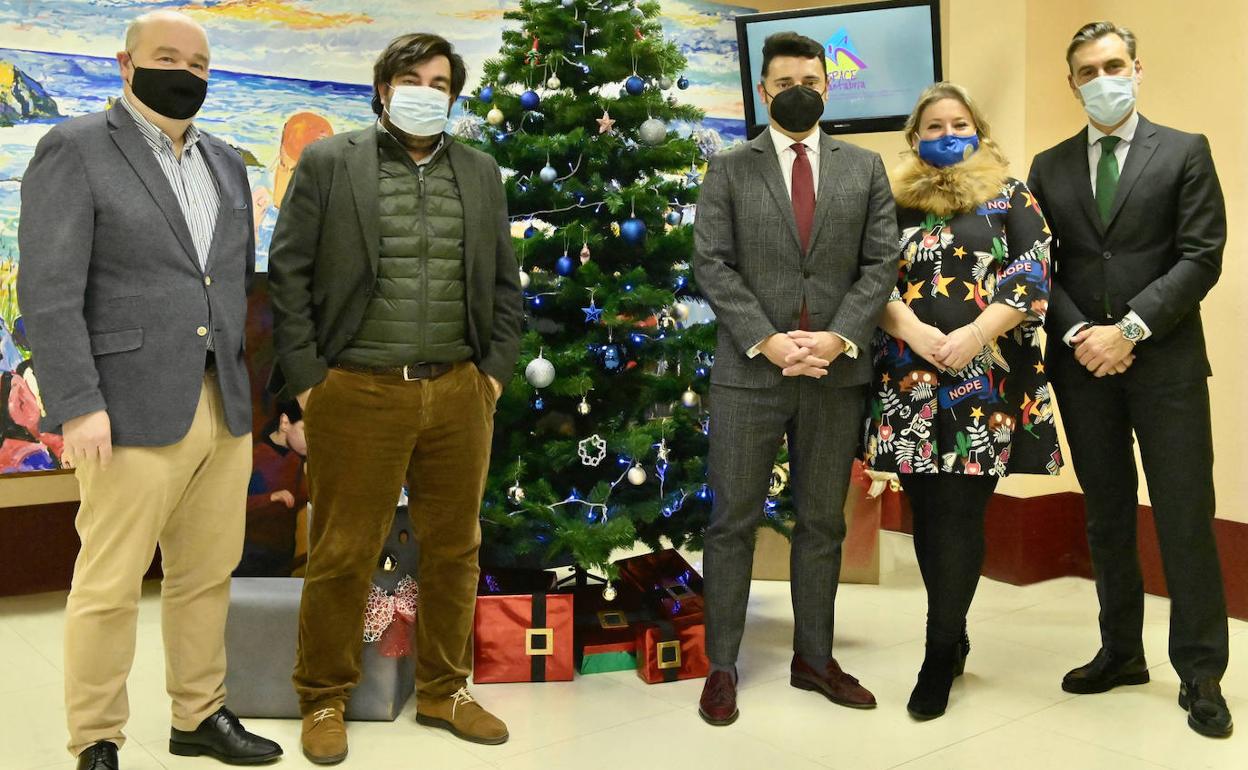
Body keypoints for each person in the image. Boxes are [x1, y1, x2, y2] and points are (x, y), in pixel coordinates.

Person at [16, 10, 282, 770]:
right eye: (168, 58)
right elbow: (49, 290)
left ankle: (199, 715)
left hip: (221, 405)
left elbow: (228, 284)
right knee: (108, 587)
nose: (186, 74)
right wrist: (77, 403)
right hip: (124, 408)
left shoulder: (228, 162)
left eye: (199, 64)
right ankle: (96, 736)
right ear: (126, 64)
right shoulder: (73, 149)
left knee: (205, 578)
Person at [268, 32, 523, 763]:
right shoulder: (328, 162)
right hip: (356, 390)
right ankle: (322, 696)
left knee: (454, 548)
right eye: (410, 77)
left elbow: (504, 284)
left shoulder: (480, 173)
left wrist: (493, 373)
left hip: (456, 391)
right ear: (382, 87)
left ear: (453, 94)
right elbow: (288, 276)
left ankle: (446, 689)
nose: (424, 90)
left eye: (439, 82)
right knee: (343, 549)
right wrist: (311, 379)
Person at [1027, 21, 1231, 738]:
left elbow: (1202, 256)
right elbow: (1036, 267)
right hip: (1084, 369)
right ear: (1073, 81)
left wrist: (1131, 330)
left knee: (1183, 517)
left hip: (1166, 365)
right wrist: (1083, 333)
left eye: (1114, 64)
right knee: (1107, 515)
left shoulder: (1184, 152)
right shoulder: (1047, 167)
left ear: (1138, 69)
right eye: (1088, 70)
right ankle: (1120, 652)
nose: (1103, 78)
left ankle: (1201, 672)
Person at [692, 31, 897, 726]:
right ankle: (722, 666)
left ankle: (815, 657)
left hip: (835, 375)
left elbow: (880, 265)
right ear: (764, 91)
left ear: (827, 85)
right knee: (732, 522)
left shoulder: (865, 167)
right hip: (750, 374)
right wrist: (771, 342)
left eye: (811, 79)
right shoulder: (727, 169)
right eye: (784, 83)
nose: (799, 90)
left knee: (822, 523)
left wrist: (838, 338)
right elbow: (713, 265)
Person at [864, 82, 1062, 720]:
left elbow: (1033, 274)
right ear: (914, 138)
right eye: (933, 126)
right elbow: (866, 276)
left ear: (978, 130)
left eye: (959, 123)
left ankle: (936, 654)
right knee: (926, 514)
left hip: (988, 380)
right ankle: (952, 633)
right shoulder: (889, 204)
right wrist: (914, 331)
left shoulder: (1011, 196)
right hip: (908, 379)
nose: (947, 134)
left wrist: (974, 333)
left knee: (959, 514)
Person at [252, 111, 333, 272]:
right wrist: (251, 227)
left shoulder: (331, 213)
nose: (286, 178)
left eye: (297, 171)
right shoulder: (253, 190)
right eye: (282, 165)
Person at [235, 401, 308, 576]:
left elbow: (301, 500)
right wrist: (271, 498)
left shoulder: (299, 461)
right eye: (306, 430)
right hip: (247, 555)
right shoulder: (253, 456)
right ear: (284, 423)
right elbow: (230, 505)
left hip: (283, 556)